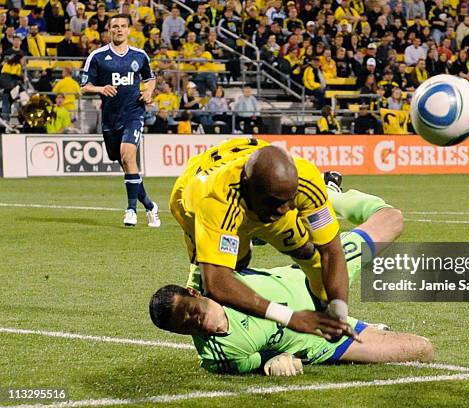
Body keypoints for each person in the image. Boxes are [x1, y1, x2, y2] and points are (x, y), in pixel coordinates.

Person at [151, 187, 434, 375]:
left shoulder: (208, 276)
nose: (195, 324)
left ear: (194, 292)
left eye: (191, 312)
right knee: (422, 350)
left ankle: (329, 196)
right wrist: (271, 361)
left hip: (315, 277)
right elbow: (255, 362)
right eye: (185, 328)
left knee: (391, 219)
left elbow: (202, 228)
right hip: (325, 340)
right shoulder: (218, 357)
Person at [168, 138, 355, 340]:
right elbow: (218, 282)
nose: (284, 210)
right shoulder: (215, 200)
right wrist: (289, 317)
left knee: (308, 253)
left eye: (289, 201)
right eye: (276, 202)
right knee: (233, 267)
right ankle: (247, 240)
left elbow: (332, 250)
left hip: (256, 197)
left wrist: (338, 311)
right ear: (248, 187)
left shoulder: (304, 180)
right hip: (198, 203)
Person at [81, 14, 159, 228]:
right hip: (110, 119)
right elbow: (84, 87)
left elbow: (150, 78)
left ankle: (131, 210)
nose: (119, 30)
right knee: (125, 163)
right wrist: (100, 88)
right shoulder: (97, 56)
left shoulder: (140, 55)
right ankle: (150, 206)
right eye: (115, 26)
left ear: (129, 30)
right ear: (109, 30)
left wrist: (149, 92)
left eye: (123, 26)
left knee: (128, 155)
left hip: (134, 114)